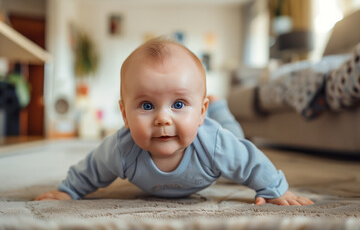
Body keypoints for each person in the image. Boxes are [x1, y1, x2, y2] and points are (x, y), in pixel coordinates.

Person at [35, 38, 314, 206]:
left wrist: (274, 189)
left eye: (178, 104)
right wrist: (68, 191)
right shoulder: (122, 149)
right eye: (147, 106)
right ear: (124, 116)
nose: (162, 118)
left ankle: (217, 108)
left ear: (199, 111)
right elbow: (91, 169)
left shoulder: (213, 142)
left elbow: (249, 160)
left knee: (233, 134)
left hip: (213, 134)